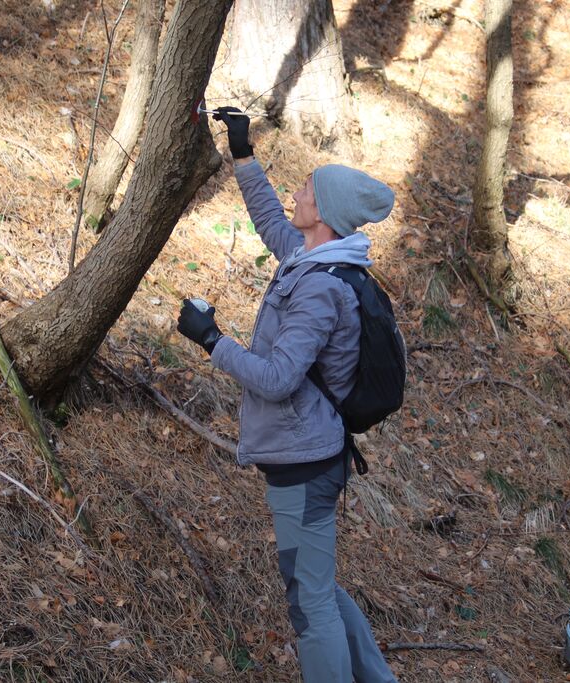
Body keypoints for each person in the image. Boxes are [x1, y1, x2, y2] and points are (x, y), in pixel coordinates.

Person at [176, 106, 398, 683]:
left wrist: (212, 340)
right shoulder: (315, 258)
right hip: (308, 454)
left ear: (323, 212)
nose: (296, 194)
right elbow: (271, 222)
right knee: (315, 585)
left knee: (309, 602)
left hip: (306, 463)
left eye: (305, 189)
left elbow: (278, 377)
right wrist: (243, 154)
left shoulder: (321, 288)